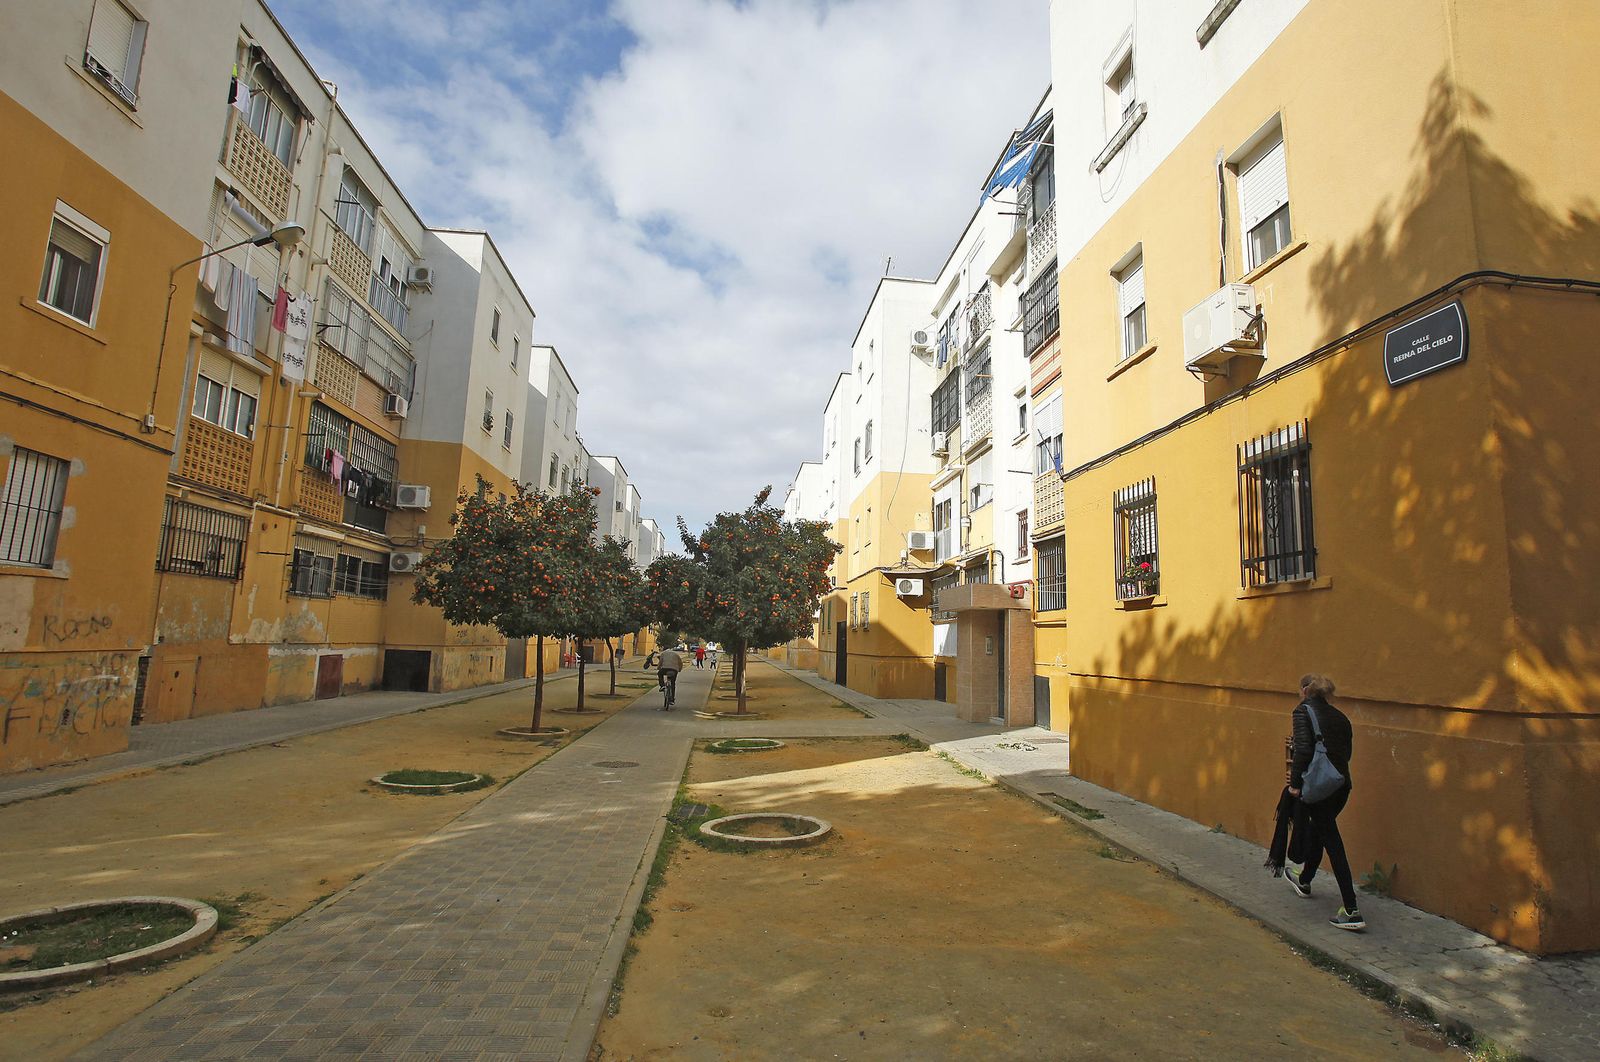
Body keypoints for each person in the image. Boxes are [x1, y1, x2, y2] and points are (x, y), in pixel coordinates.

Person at [1284, 673, 1364, 931]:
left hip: (1318, 788)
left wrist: (1295, 784)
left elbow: (1304, 750)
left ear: (1305, 691)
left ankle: (1351, 910)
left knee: (1332, 841)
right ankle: (1304, 879)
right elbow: (1346, 754)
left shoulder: (1302, 711)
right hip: (1341, 787)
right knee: (1321, 831)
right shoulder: (1341, 718)